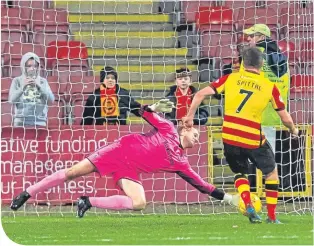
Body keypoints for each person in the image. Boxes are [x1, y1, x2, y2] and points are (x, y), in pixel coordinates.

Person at [11, 99, 238, 217]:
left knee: (139, 203)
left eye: (199, 136)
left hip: (130, 170)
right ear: (184, 130)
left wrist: (228, 198)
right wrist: (153, 107)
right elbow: (140, 112)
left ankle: (87, 201)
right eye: (195, 133)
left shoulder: (181, 162)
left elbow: (203, 186)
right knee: (72, 173)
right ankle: (26, 194)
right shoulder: (168, 127)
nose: (197, 138)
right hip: (117, 152)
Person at [183, 47, 298, 224]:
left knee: (239, 172)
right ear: (261, 64)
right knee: (271, 173)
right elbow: (285, 117)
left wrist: (190, 116)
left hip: (229, 136)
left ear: (243, 62)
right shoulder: (269, 87)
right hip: (252, 137)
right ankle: (272, 216)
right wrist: (293, 130)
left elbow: (199, 94)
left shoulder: (230, 78)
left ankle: (247, 204)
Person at [242, 24, 290, 152]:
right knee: (269, 157)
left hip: (254, 113)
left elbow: (243, 84)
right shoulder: (282, 58)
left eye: (252, 36)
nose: (248, 39)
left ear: (262, 37)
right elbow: (285, 85)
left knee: (253, 158)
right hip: (273, 113)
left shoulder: (250, 56)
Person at [8, 52, 55, 127]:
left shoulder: (43, 81)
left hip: (40, 122)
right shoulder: (17, 81)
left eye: (35, 66)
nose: (32, 68)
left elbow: (51, 100)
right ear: (23, 66)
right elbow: (11, 100)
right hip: (20, 122)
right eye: (29, 66)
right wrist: (22, 87)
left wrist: (39, 86)